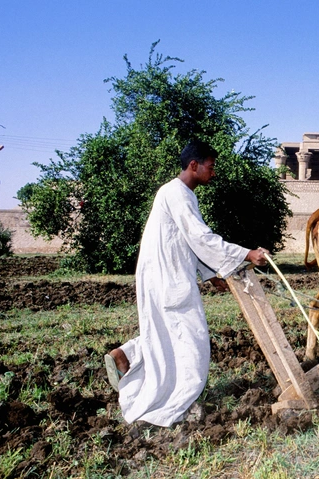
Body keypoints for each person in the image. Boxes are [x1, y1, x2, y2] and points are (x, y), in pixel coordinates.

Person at [104, 139, 268, 427]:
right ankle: (174, 404)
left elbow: (186, 240)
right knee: (192, 340)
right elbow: (200, 238)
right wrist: (247, 253)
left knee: (165, 331)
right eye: (211, 166)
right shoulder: (177, 194)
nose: (213, 173)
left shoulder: (177, 193)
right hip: (169, 277)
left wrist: (213, 274)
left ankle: (126, 354)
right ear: (194, 165)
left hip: (163, 274)